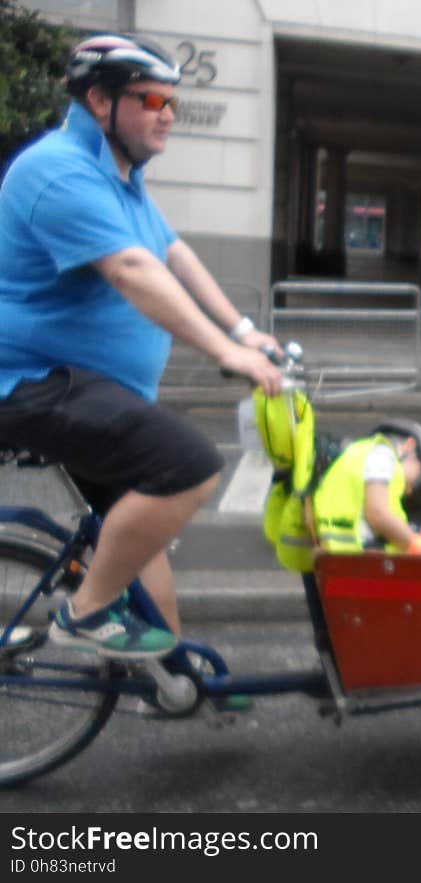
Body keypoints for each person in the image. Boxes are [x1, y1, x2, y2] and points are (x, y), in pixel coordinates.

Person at [0, 33, 283, 661]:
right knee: (187, 465)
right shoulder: (57, 171)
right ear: (100, 100)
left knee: (142, 536)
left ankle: (172, 675)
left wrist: (241, 331)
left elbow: (172, 255)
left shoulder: (122, 180)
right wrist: (226, 353)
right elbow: (131, 269)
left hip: (86, 388)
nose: (168, 114)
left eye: (174, 103)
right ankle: (85, 615)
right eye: (152, 98)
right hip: (33, 382)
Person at [310, 418, 421, 556]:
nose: (408, 490)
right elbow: (378, 514)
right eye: (417, 482)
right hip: (365, 558)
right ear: (409, 446)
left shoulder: (356, 452)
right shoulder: (382, 455)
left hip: (337, 558)